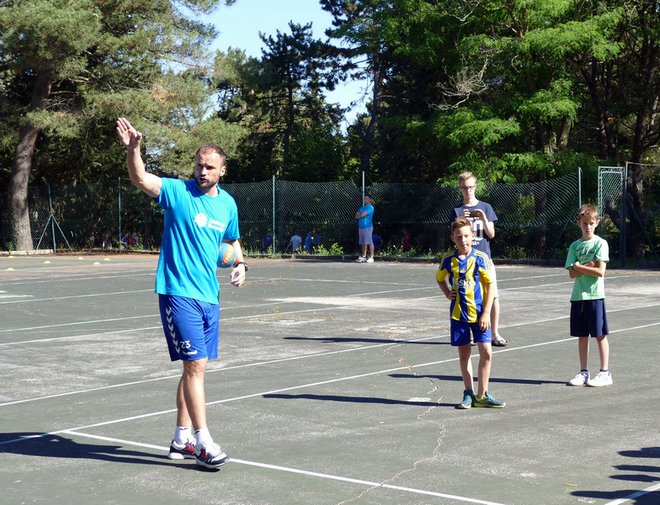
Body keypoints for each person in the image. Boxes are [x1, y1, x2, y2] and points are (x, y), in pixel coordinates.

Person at [115, 117, 247, 470]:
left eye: (209, 167)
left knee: (195, 369)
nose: (202, 171)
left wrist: (241, 263)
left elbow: (232, 241)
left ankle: (179, 437)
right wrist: (134, 150)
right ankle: (202, 441)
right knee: (195, 366)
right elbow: (140, 178)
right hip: (177, 292)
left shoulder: (228, 205)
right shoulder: (177, 192)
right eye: (199, 165)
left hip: (209, 296)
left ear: (222, 170)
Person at [436, 217, 506, 409]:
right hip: (459, 316)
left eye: (466, 236)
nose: (463, 240)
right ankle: (468, 392)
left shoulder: (481, 258)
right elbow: (440, 279)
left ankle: (482, 394)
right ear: (453, 238)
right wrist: (447, 292)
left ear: (473, 236)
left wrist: (486, 313)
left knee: (487, 352)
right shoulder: (448, 261)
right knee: (464, 354)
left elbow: (491, 285)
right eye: (459, 236)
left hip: (480, 315)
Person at [452, 172, 508, 347]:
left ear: (475, 186)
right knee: (466, 295)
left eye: (470, 187)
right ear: (460, 188)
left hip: (484, 259)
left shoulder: (485, 207)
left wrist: (481, 216)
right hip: (465, 261)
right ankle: (468, 333)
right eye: (464, 187)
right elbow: (455, 236)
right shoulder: (457, 210)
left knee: (493, 296)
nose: (467, 190)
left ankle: (495, 333)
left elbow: (491, 234)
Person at [565, 203, 612, 387]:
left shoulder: (601, 243)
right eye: (585, 223)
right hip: (578, 297)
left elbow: (600, 271)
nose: (588, 227)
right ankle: (584, 372)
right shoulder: (575, 246)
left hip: (595, 296)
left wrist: (579, 266)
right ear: (579, 223)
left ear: (597, 222)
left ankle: (605, 373)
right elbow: (571, 273)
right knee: (582, 336)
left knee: (600, 335)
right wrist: (586, 266)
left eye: (591, 223)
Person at [355, 194, 375, 263]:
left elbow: (362, 214)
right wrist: (361, 214)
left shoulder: (370, 207)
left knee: (369, 242)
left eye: (366, 198)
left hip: (368, 227)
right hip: (361, 227)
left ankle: (372, 257)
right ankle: (364, 256)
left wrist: (361, 214)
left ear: (369, 199)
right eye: (364, 198)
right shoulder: (362, 208)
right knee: (363, 243)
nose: (365, 200)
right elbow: (356, 216)